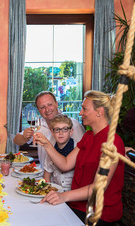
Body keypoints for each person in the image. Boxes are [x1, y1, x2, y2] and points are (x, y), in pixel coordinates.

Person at [35, 90, 125, 225]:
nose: (80, 113)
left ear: (99, 111)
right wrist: (47, 145)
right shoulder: (88, 136)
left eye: (84, 109)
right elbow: (65, 164)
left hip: (100, 214)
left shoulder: (112, 142)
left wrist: (63, 196)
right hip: (78, 207)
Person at [13, 91, 85, 168]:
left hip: (65, 177)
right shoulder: (38, 125)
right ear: (38, 110)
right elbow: (16, 140)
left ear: (56, 104)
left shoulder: (74, 125)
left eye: (50, 105)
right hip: (44, 176)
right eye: (42, 107)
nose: (47, 110)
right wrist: (24, 137)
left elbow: (83, 155)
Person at [43, 114, 76, 192]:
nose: (61, 133)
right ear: (52, 132)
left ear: (71, 132)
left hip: (73, 193)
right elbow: (47, 175)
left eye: (65, 129)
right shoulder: (51, 151)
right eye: (57, 129)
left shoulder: (77, 148)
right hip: (56, 192)